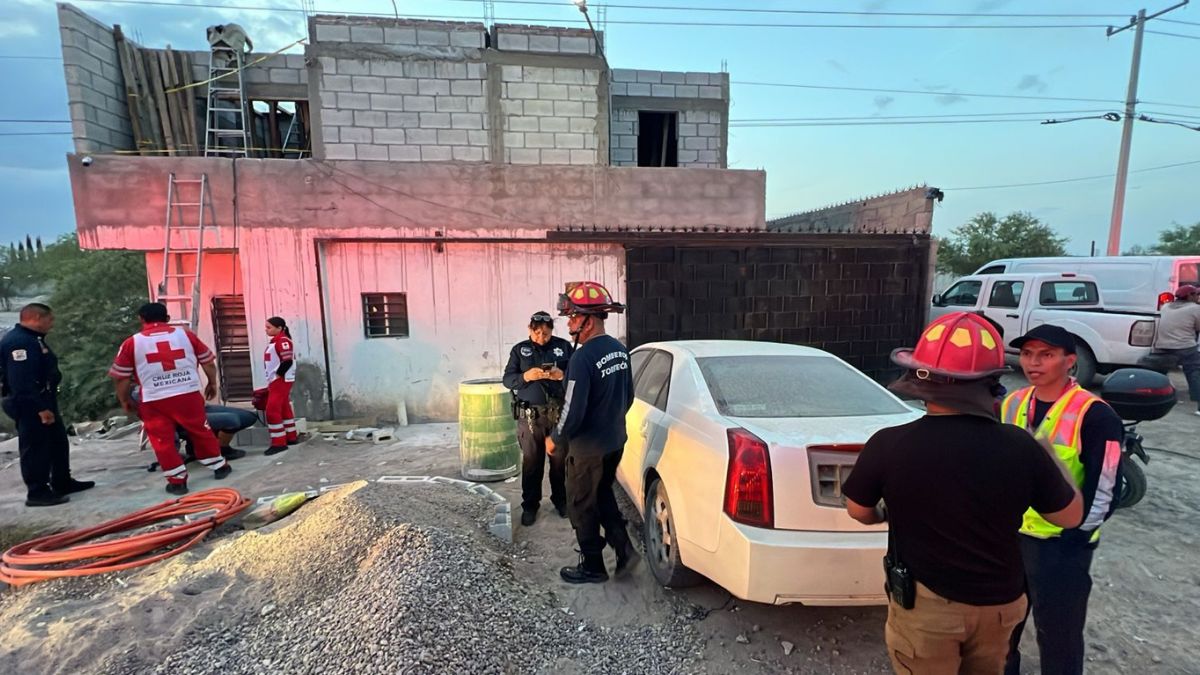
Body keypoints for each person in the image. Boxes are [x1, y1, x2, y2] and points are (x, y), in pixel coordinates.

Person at [842, 312, 1083, 675]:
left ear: (921, 379)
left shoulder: (889, 445)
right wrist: (1048, 454)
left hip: (927, 609)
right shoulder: (1019, 446)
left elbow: (858, 510)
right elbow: (1069, 517)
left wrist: (884, 513)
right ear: (990, 382)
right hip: (1000, 605)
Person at [1002, 324, 1125, 675]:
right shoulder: (1011, 404)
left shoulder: (1096, 414)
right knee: (1003, 630)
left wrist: (1078, 534)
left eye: (1046, 355)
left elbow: (1105, 484)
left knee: (1059, 636)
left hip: (1062, 545)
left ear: (1069, 361)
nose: (1033, 363)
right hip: (1012, 537)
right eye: (1027, 354)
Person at [545, 281, 639, 584]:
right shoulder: (619, 350)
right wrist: (609, 421)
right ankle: (625, 550)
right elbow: (629, 397)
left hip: (588, 450)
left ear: (589, 319)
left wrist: (555, 438)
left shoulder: (582, 358)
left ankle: (593, 567)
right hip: (614, 442)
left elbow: (572, 410)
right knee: (602, 495)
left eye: (573, 317)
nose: (570, 324)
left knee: (581, 504)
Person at [109, 302, 230, 495]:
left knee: (162, 439)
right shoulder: (186, 336)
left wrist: (124, 400)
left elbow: (121, 378)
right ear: (167, 318)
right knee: (200, 430)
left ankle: (177, 481)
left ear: (141, 320)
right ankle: (219, 466)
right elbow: (208, 362)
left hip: (154, 399)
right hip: (187, 393)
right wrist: (212, 383)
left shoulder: (132, 343)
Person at [0, 303, 93, 506]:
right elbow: (21, 382)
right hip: (29, 403)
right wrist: (40, 408)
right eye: (49, 319)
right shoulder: (19, 343)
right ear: (36, 318)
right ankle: (37, 492)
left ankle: (62, 481)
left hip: (44, 399)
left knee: (57, 442)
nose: (52, 324)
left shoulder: (34, 339)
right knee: (36, 447)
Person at [503, 311, 574, 527]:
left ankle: (561, 501)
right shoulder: (519, 350)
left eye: (546, 333)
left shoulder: (563, 346)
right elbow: (507, 379)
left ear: (552, 330)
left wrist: (560, 374)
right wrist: (526, 376)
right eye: (537, 333)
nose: (541, 337)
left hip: (558, 414)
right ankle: (530, 505)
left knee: (559, 462)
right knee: (532, 463)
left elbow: (576, 375)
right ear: (529, 329)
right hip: (530, 416)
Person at [1143, 284, 1200, 415]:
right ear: (1190, 296)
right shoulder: (1195, 309)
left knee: (1160, 374)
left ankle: (1155, 399)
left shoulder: (1166, 306)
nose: (1197, 297)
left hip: (1163, 347)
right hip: (1185, 347)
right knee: (1194, 374)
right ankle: (1199, 407)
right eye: (1195, 294)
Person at [263, 316, 299, 455]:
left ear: (279, 328)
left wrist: (278, 375)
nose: (266, 330)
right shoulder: (276, 341)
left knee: (272, 411)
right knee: (284, 408)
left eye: (269, 327)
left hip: (280, 380)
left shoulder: (282, 341)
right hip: (277, 379)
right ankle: (291, 436)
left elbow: (287, 360)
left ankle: (278, 442)